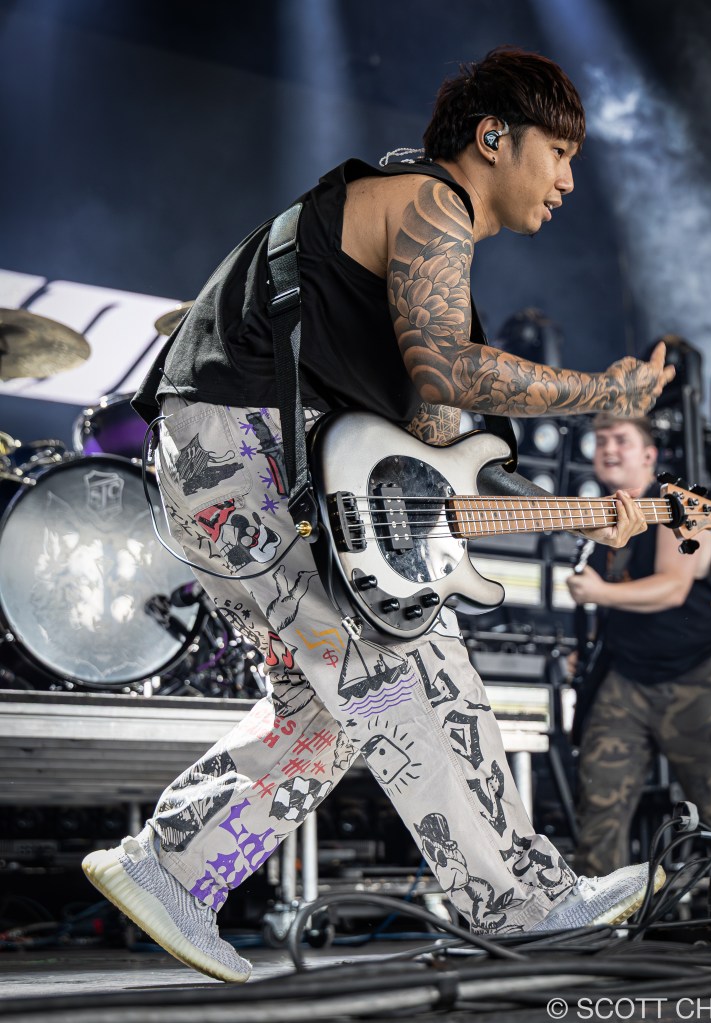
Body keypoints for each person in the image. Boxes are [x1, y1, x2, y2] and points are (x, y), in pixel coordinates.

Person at [82, 47, 675, 983]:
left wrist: (578, 514)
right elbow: (447, 370)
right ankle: (524, 904)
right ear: (493, 137)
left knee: (330, 708)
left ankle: (170, 868)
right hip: (239, 448)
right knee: (410, 661)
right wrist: (602, 392)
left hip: (230, 466)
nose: (567, 180)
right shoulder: (430, 202)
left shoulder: (426, 264)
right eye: (559, 152)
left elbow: (429, 480)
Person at [566, 412, 711, 877]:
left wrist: (598, 592)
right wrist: (589, 647)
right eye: (601, 440)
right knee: (599, 807)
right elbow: (621, 597)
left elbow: (672, 588)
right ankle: (597, 913)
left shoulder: (677, 504)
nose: (609, 448)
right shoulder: (605, 516)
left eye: (621, 440)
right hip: (627, 675)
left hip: (695, 674)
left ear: (650, 455)